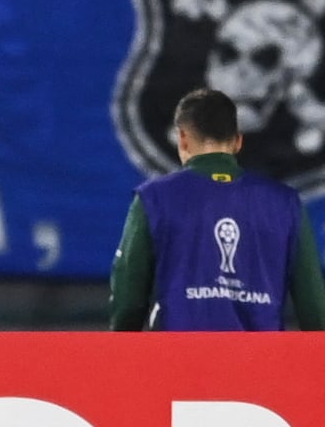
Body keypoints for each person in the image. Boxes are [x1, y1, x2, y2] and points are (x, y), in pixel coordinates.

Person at [110, 87, 325, 331]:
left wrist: (122, 350)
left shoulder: (153, 199)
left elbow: (129, 299)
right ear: (238, 141)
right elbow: (315, 310)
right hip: (261, 365)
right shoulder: (286, 204)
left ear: (182, 138)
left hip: (177, 363)